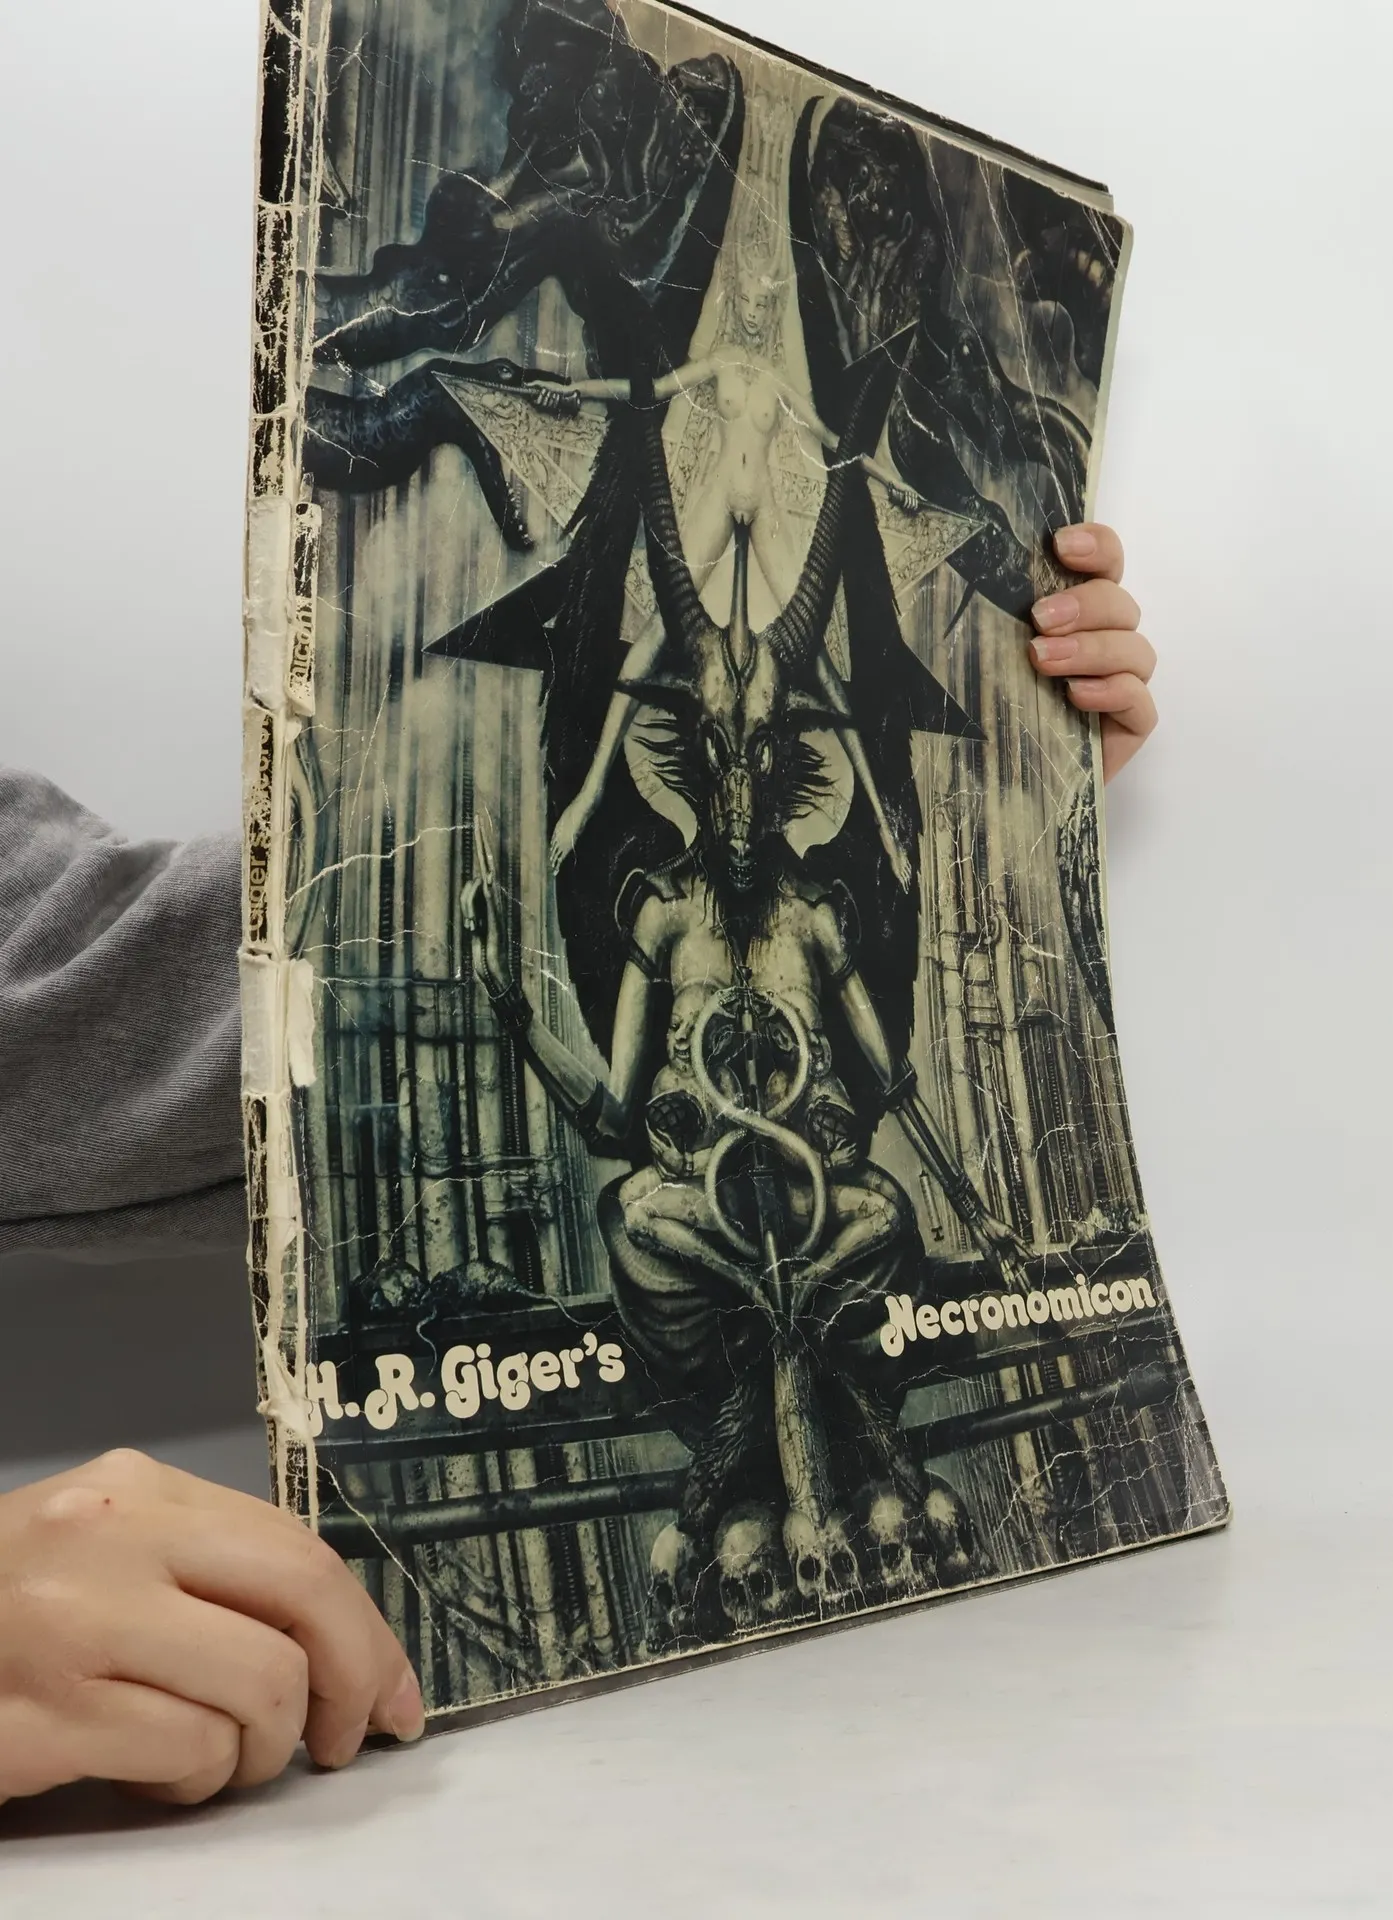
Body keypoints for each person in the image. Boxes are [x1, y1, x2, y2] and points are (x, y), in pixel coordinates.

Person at [0, 522, 1156, 1809]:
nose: (737, 785)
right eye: (713, 755)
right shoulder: (662, 920)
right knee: (648, 1220)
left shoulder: (818, 918)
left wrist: (1003, 794)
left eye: (763, 754)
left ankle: (813, 1445)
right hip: (697, 1217)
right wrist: (506, 999)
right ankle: (746, 1446)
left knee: (873, 1214)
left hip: (809, 1203)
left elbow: (885, 1081)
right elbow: (613, 1110)